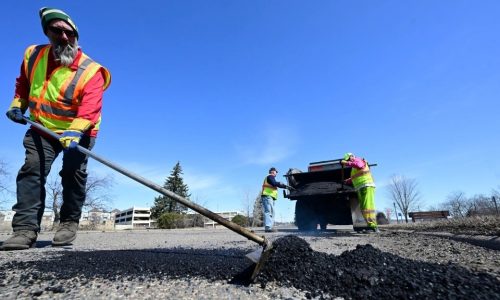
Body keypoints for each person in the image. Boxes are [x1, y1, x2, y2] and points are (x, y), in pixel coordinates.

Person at [2, 7, 111, 250]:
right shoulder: (33, 56)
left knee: (73, 173)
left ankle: (69, 222)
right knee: (32, 169)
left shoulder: (91, 71)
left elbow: (91, 107)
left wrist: (75, 131)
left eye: (69, 33)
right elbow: (23, 84)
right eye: (56, 31)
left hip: (80, 131)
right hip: (42, 127)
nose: (63, 37)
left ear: (76, 36)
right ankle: (24, 230)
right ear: (47, 32)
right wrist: (17, 105)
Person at [341, 153, 379, 232]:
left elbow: (359, 165)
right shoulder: (353, 168)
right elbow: (357, 175)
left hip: (366, 186)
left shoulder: (358, 160)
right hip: (361, 188)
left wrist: (346, 163)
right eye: (347, 160)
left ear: (352, 156)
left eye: (348, 159)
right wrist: (348, 180)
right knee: (363, 208)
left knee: (367, 207)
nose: (348, 161)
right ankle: (370, 226)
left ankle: (373, 227)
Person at [260, 167, 289, 232]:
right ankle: (268, 228)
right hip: (267, 196)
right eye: (276, 172)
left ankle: (269, 227)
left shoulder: (271, 178)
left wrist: (285, 186)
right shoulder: (270, 177)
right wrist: (280, 183)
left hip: (269, 197)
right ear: (272, 171)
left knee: (272, 212)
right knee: (269, 211)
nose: (276, 173)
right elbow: (274, 183)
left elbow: (276, 184)